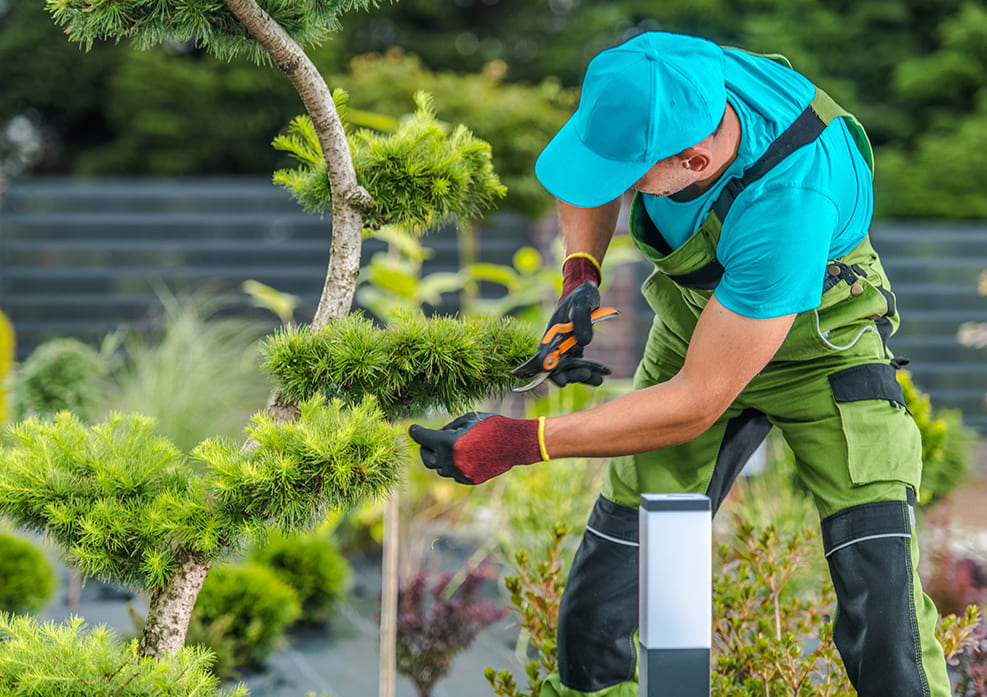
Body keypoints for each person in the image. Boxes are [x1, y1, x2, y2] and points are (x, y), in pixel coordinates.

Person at [408, 31, 953, 697]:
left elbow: (697, 401)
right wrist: (579, 275)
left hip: (822, 354)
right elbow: (593, 167)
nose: (622, 188)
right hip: (698, 325)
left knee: (881, 593)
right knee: (605, 593)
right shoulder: (662, 81)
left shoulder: (790, 201)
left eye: (635, 181)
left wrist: (522, 440)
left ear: (695, 162)